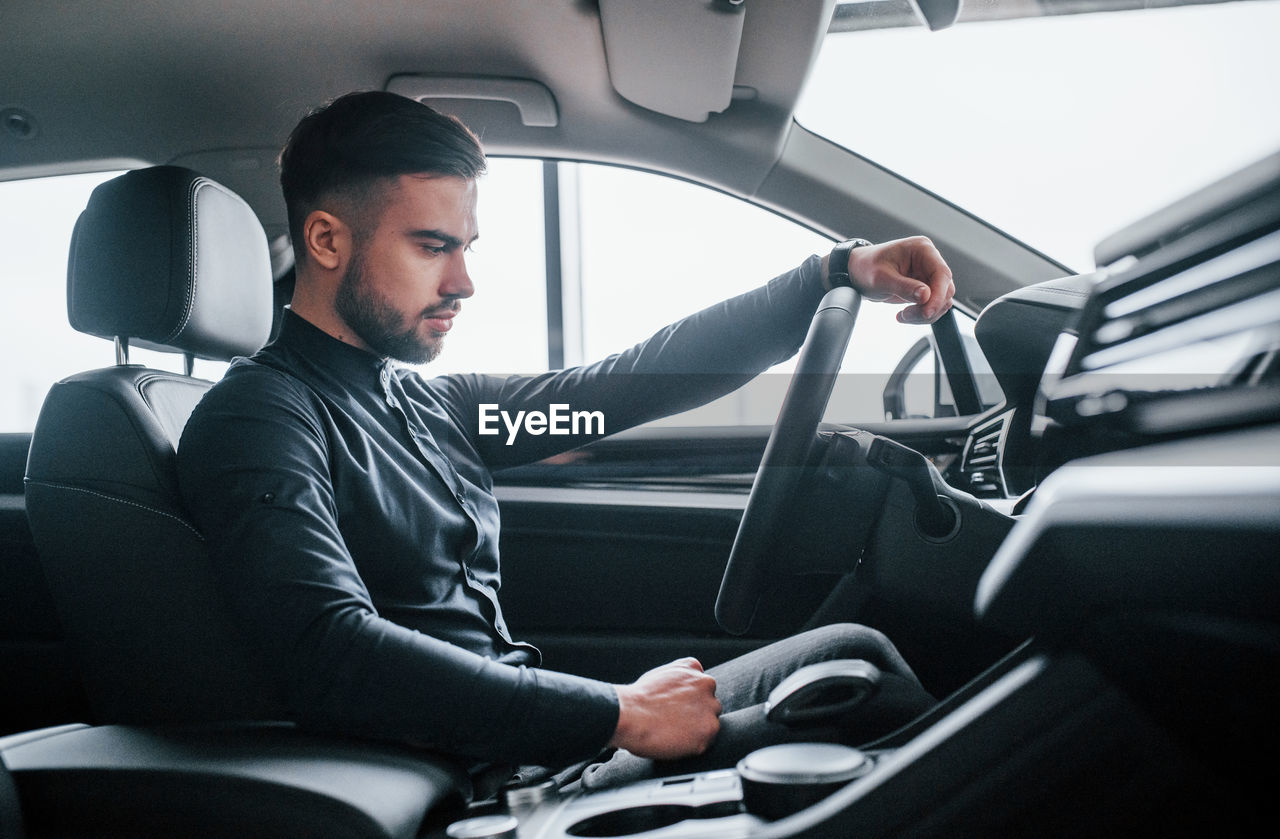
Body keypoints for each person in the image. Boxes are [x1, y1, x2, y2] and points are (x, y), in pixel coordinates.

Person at [177, 91, 956, 789]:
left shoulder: (430, 404)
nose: (463, 283)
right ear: (324, 240)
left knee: (849, 653)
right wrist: (617, 712)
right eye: (430, 246)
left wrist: (828, 273)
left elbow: (614, 391)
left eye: (466, 247)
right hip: (472, 783)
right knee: (867, 701)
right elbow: (331, 653)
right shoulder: (263, 418)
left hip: (534, 749)